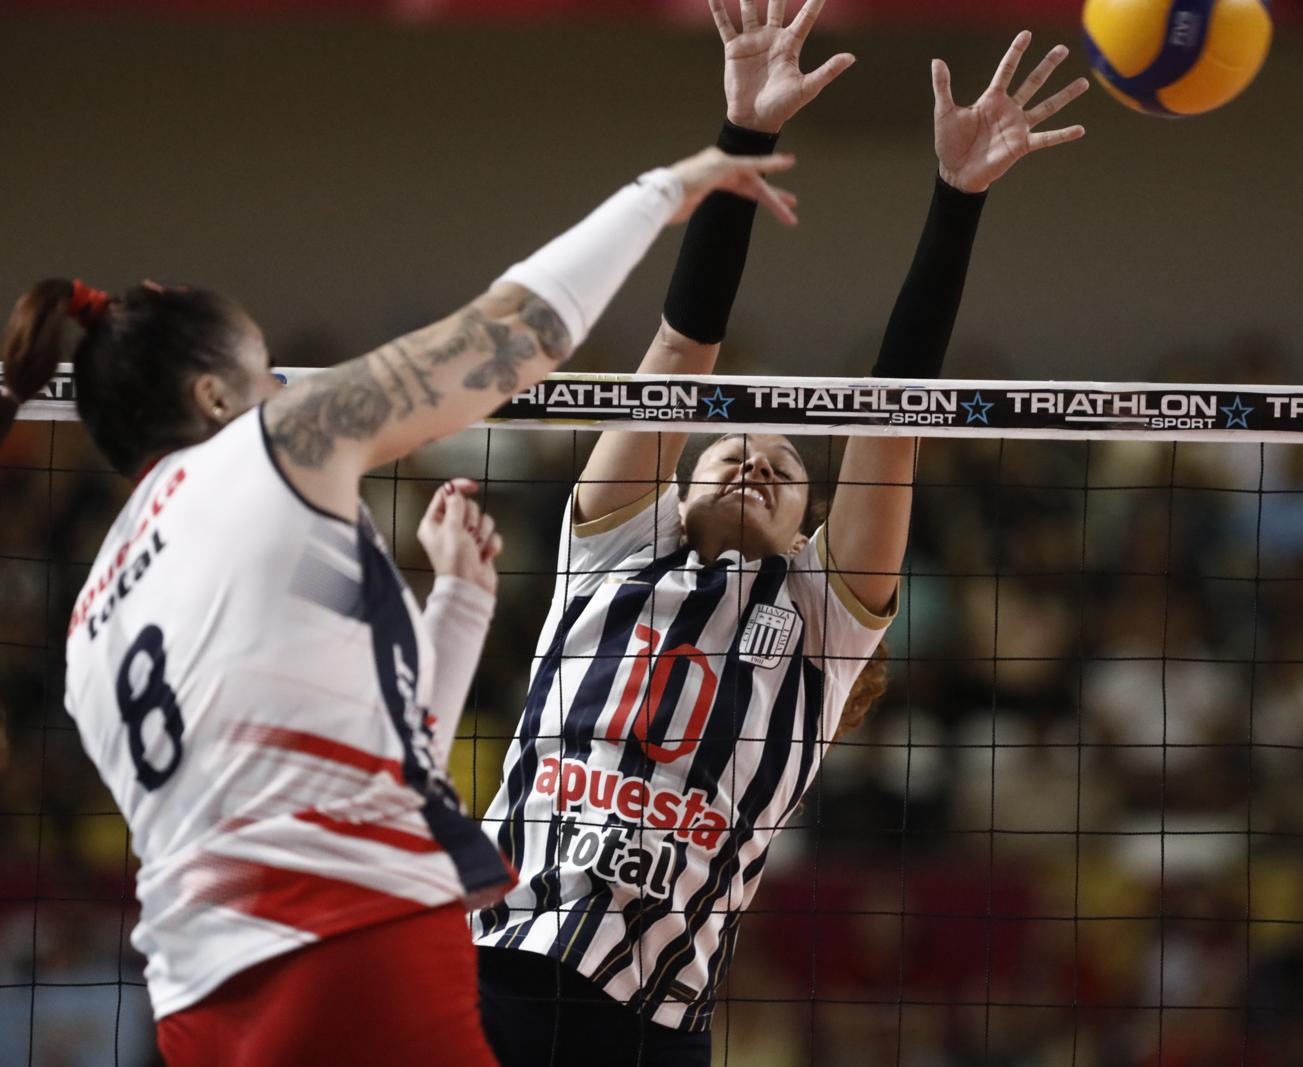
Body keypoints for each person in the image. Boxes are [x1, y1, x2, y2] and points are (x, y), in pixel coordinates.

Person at [0, 144, 797, 1065]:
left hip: (198, 1002)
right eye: (266, 372)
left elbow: (381, 757)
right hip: (355, 938)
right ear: (215, 394)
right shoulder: (277, 442)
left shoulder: (93, 612)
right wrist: (669, 190)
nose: (285, 390)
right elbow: (517, 330)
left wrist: (455, 603)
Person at [471, 2, 1090, 1063]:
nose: (758, 454)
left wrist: (957, 200)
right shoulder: (613, 544)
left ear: (811, 525)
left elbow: (890, 430)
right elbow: (680, 349)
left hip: (653, 1017)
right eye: (727, 446)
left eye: (790, 464)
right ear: (676, 475)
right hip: (495, 961)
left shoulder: (820, 620)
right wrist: (742, 138)